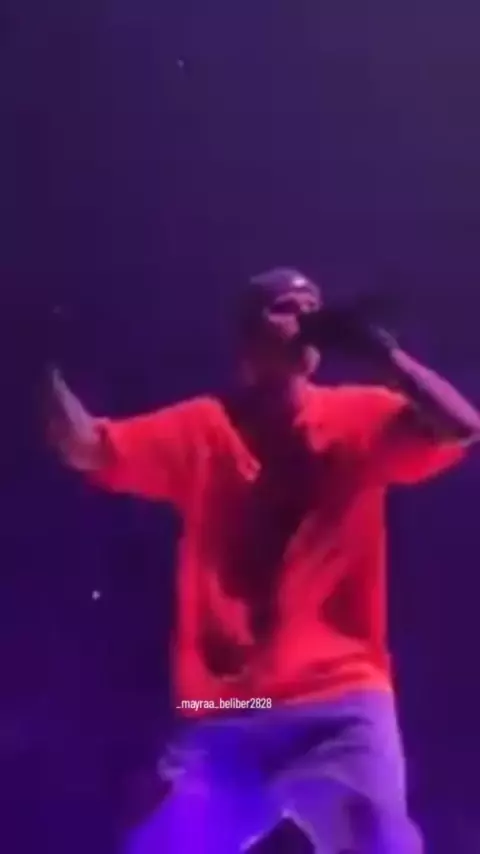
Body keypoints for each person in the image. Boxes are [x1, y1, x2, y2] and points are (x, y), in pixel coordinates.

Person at [47, 269, 480, 853]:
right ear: (247, 338)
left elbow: (461, 428)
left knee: (378, 841)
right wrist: (38, 358)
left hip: (340, 701)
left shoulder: (362, 416)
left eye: (312, 306)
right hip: (229, 707)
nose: (305, 317)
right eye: (286, 307)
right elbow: (87, 447)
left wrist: (384, 355)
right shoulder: (202, 428)